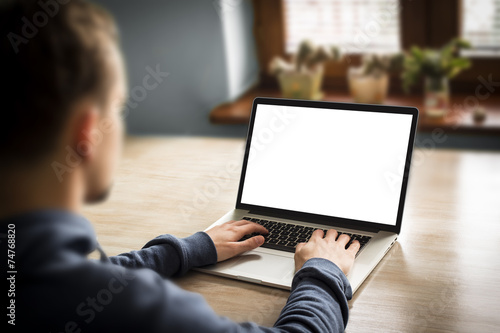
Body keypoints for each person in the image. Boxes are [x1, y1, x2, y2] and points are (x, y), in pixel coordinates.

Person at [0, 1, 360, 332]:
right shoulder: (134, 311)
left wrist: (187, 249)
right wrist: (322, 272)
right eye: (118, 107)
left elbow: (84, 276)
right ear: (88, 133)